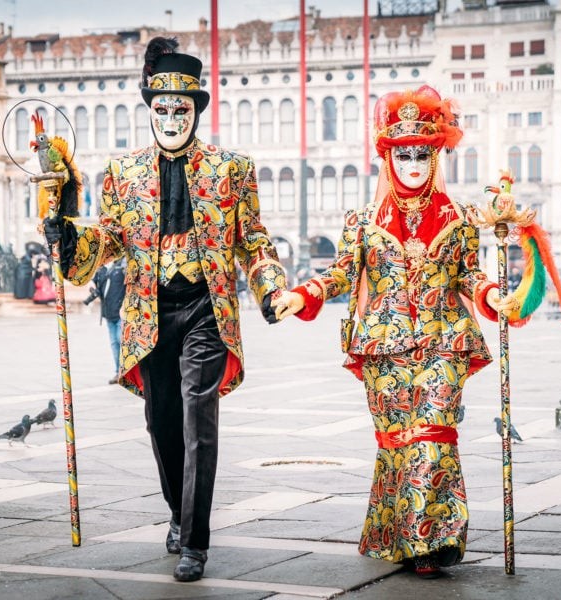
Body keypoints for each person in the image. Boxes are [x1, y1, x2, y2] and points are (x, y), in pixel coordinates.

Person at [41, 37, 287, 582]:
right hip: (149, 311)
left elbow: (254, 242)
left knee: (200, 416)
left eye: (182, 108)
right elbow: (107, 241)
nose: (172, 117)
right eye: (162, 108)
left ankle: (195, 541)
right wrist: (68, 237)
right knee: (162, 422)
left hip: (206, 307)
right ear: (149, 108)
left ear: (196, 111)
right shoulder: (123, 173)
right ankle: (179, 513)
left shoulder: (232, 169)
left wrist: (271, 288)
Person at [273, 85, 519, 579]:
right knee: (396, 442)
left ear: (435, 156)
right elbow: (343, 272)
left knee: (433, 436)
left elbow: (467, 275)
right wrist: (304, 295)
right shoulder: (363, 222)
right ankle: (396, 534)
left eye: (422, 153)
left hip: (444, 337)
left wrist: (492, 295)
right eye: (402, 153)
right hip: (382, 345)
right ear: (389, 157)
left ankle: (432, 540)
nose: (412, 162)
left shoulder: (461, 218)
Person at [86, 258, 126, 384]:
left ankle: (127, 372)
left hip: (121, 313)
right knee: (114, 344)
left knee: (122, 341)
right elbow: (93, 282)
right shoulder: (102, 268)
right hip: (108, 313)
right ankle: (118, 372)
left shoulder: (123, 265)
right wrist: (91, 286)